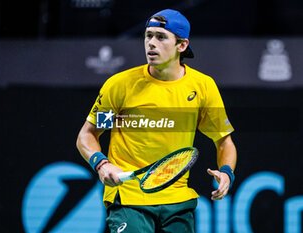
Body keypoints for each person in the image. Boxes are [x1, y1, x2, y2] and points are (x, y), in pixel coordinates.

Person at [77, 9, 237, 233]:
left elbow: (224, 141)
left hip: (178, 201)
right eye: (148, 35)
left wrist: (226, 171)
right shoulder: (120, 86)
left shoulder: (202, 87)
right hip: (129, 199)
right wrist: (101, 164)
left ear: (181, 45)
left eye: (160, 37)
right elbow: (88, 134)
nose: (151, 43)